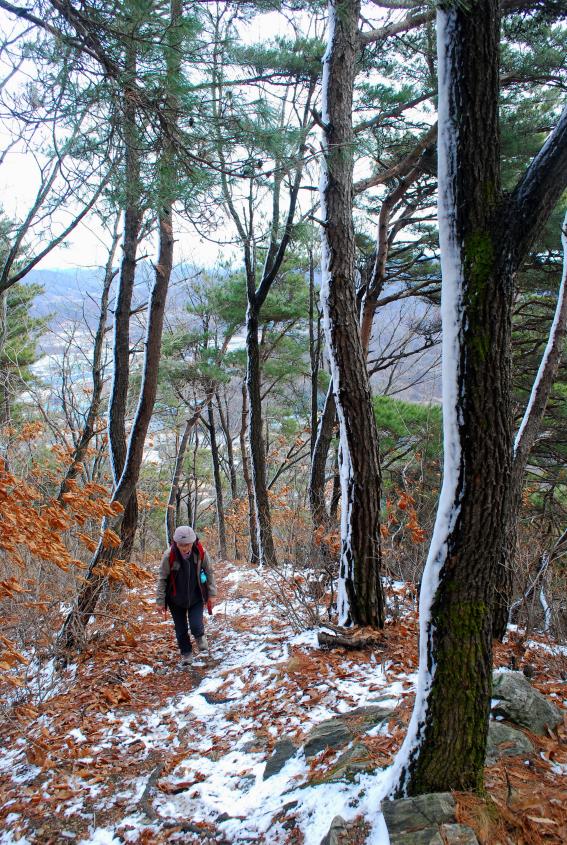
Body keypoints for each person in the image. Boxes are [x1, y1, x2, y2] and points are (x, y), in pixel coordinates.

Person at [156, 525, 217, 667]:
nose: (184, 548)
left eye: (187, 544)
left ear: (193, 542)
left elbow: (209, 572)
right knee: (181, 629)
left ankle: (201, 638)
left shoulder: (200, 552)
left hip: (196, 596)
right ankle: (186, 654)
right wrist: (160, 601)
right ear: (176, 543)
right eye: (181, 545)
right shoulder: (168, 556)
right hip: (175, 599)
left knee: (196, 625)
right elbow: (162, 579)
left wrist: (212, 594)